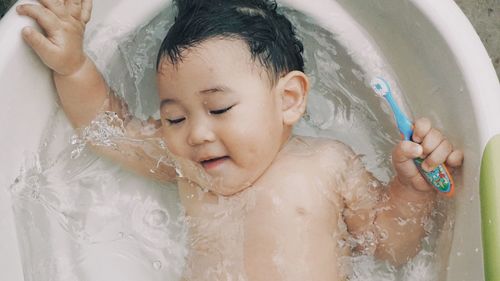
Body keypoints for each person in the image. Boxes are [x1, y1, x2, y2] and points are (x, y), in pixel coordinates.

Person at [17, 0, 463, 280]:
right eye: (174, 116)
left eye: (219, 109)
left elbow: (390, 246)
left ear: (288, 99)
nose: (195, 132)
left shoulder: (327, 164)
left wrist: (411, 188)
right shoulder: (188, 167)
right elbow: (109, 129)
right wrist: (73, 66)